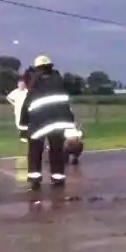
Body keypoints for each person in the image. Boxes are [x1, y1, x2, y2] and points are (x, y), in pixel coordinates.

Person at [17, 54, 76, 189]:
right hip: (60, 123)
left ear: (37, 68)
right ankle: (58, 178)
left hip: (40, 124)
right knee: (57, 150)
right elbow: (66, 103)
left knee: (35, 150)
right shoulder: (59, 81)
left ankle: (35, 179)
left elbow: (26, 106)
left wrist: (23, 129)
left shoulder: (35, 83)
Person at [5, 74, 29, 143]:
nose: (21, 86)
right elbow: (8, 97)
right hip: (18, 110)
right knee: (18, 123)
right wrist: (13, 103)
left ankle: (23, 136)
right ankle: (22, 135)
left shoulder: (27, 92)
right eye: (20, 84)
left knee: (25, 123)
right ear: (18, 85)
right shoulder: (15, 92)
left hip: (25, 110)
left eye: (23, 84)